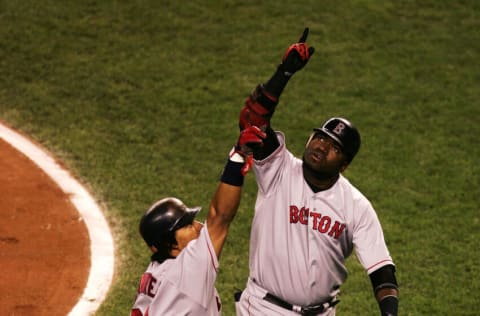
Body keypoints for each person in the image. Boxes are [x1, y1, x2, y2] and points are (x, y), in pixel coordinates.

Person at [235, 28, 399, 316]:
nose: (322, 146)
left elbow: (382, 270)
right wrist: (283, 74)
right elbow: (253, 120)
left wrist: (390, 312)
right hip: (263, 308)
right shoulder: (278, 169)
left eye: (333, 146)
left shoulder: (357, 207)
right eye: (320, 137)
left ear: (344, 164)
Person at [130, 125, 267, 316]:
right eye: (186, 225)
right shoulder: (188, 268)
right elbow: (220, 216)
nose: (199, 226)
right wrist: (237, 158)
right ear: (167, 243)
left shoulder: (157, 270)